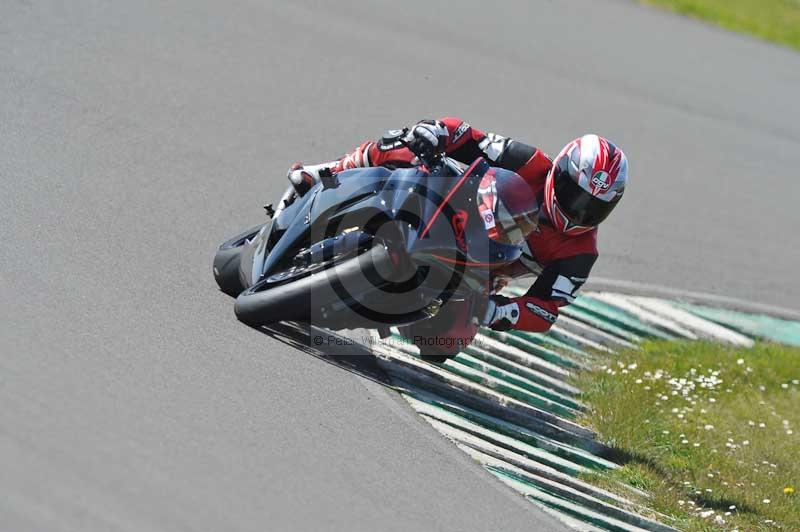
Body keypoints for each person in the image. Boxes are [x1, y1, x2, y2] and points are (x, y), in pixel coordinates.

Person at [288, 118, 628, 359]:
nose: (578, 212)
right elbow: (468, 137)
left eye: (594, 208)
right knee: (402, 145)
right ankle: (329, 172)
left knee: (446, 341)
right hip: (450, 213)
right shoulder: (529, 162)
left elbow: (546, 309)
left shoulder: (580, 252)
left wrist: (500, 311)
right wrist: (435, 132)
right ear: (559, 171)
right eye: (575, 196)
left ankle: (371, 309)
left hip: (474, 275)